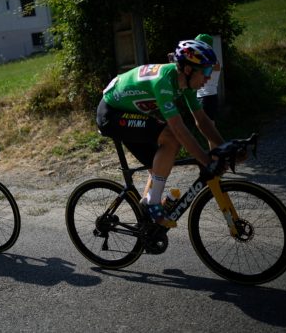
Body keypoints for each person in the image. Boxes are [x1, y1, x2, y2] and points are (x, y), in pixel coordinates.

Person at [97, 39, 226, 228]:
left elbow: (202, 121)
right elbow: (179, 131)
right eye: (206, 71)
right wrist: (206, 162)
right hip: (111, 114)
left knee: (160, 164)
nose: (208, 77)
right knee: (171, 137)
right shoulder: (164, 82)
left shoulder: (185, 84)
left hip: (131, 114)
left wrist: (225, 147)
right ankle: (153, 203)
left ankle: (146, 212)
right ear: (188, 70)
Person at [195, 33, 222, 123]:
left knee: (208, 125)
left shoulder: (212, 60)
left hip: (207, 97)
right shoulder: (204, 59)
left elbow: (214, 66)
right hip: (201, 97)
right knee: (205, 125)